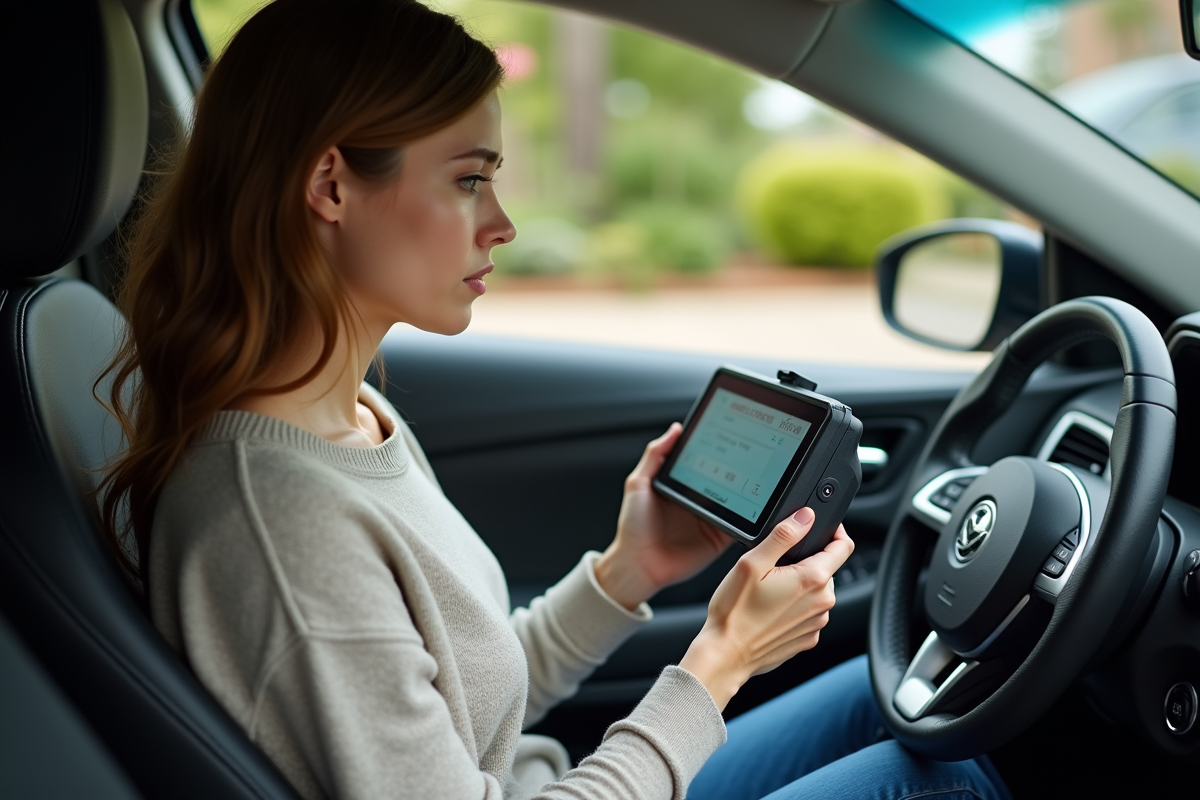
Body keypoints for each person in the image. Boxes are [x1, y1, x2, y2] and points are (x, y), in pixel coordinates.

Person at [98, 1, 1010, 798]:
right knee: (941, 775)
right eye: (467, 179)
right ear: (332, 185)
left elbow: (463, 710)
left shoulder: (347, 416)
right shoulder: (281, 520)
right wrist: (721, 662)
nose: (502, 223)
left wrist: (629, 569)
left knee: (886, 694)